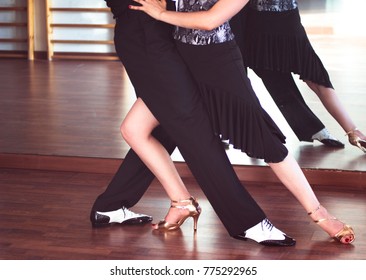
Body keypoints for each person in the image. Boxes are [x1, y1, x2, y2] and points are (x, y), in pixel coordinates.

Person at [129, 0, 355, 244]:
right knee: (133, 129)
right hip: (178, 63)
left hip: (219, 65)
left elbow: (209, 20)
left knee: (265, 141)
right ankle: (182, 202)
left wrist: (161, 14)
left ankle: (319, 212)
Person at [91, 0, 296, 247]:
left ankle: (112, 205)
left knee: (163, 127)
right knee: (192, 128)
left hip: (158, 32)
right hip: (146, 36)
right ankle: (247, 222)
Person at [233, 0, 366, 153]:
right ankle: (351, 132)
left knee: (312, 74)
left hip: (274, 21)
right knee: (306, 77)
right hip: (266, 22)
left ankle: (351, 132)